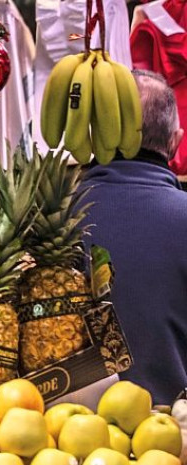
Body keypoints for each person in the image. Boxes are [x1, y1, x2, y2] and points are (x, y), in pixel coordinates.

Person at [79, 70, 187, 404]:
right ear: (176, 141)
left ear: (94, 138)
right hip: (173, 440)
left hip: (62, 439)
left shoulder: (53, 221)